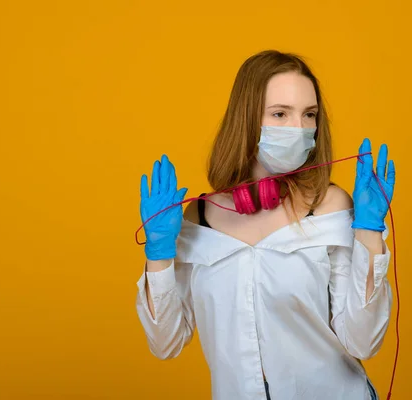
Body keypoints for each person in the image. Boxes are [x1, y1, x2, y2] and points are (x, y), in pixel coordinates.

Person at [135, 49, 396, 400]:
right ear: (246, 120)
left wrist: (368, 231)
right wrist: (159, 255)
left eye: (309, 115)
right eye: (279, 114)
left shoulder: (330, 207)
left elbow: (363, 341)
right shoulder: (198, 219)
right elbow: (166, 343)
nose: (299, 129)